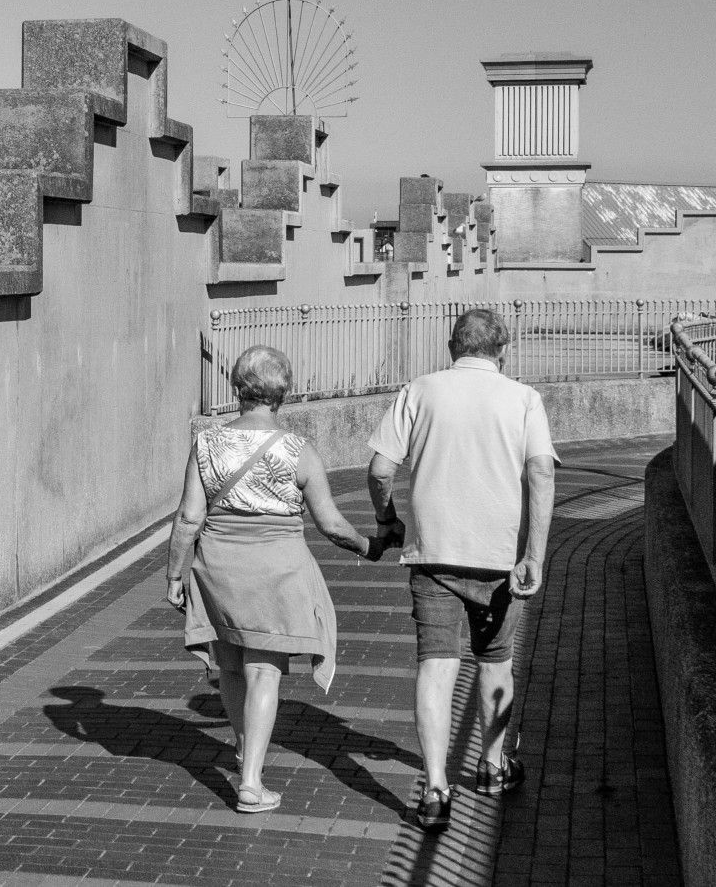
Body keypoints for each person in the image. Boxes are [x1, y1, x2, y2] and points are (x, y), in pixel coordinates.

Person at [168, 345, 397, 813]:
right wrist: (369, 547)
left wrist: (175, 574)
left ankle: (243, 749)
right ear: (284, 394)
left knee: (230, 666)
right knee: (263, 671)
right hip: (276, 569)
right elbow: (331, 524)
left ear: (237, 388)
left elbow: (189, 519)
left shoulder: (207, 444)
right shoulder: (299, 451)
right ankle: (250, 782)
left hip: (219, 568)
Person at [368, 306, 557, 832]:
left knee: (437, 665)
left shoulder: (420, 390)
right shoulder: (523, 399)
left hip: (434, 555)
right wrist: (535, 553)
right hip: (501, 558)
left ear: (454, 346)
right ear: (503, 350)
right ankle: (494, 768)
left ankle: (433, 788)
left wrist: (388, 519)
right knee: (495, 662)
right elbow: (541, 472)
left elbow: (382, 467)